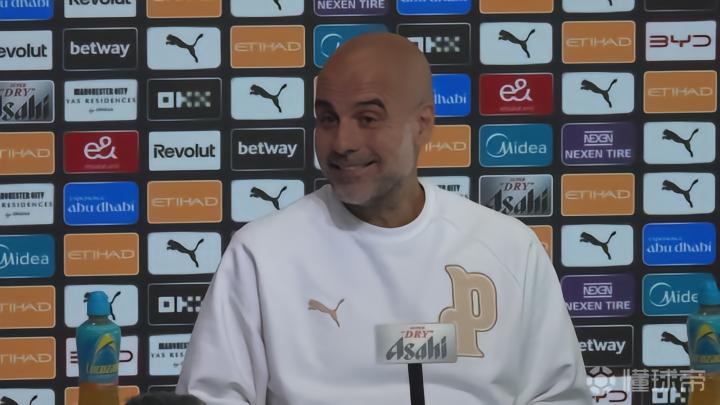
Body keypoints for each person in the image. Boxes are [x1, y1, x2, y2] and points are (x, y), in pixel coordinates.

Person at [176, 32, 593, 404]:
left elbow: (558, 396)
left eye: (368, 119)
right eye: (328, 118)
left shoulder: (509, 247)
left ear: (422, 125)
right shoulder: (261, 254)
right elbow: (213, 397)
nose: (343, 142)